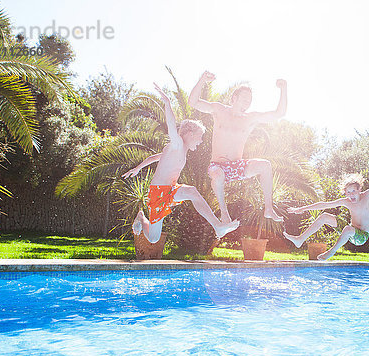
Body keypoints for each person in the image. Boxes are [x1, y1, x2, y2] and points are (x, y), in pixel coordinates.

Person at [122, 83, 239, 243]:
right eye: (199, 137)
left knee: (192, 192)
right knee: (154, 238)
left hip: (170, 190)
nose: (200, 142)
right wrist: (167, 103)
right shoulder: (176, 144)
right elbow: (171, 125)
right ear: (190, 134)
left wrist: (137, 168)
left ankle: (217, 226)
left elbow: (154, 158)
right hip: (158, 193)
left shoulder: (179, 150)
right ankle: (142, 217)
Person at [188, 71, 287, 224]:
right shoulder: (219, 110)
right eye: (244, 98)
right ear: (234, 98)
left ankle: (268, 208)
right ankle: (224, 213)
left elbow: (278, 113)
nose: (248, 102)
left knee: (265, 165)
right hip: (217, 166)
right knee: (219, 175)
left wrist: (284, 88)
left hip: (237, 166)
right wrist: (202, 80)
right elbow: (193, 102)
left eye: (250, 100)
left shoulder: (250, 119)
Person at [284, 158, 369, 260]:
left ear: (359, 190)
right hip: (350, 230)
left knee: (348, 229)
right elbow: (324, 204)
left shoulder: (368, 195)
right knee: (325, 216)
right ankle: (300, 239)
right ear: (345, 193)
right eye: (348, 192)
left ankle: (330, 253)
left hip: (361, 236)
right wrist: (302, 208)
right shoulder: (346, 201)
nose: (351, 195)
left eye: (353, 191)